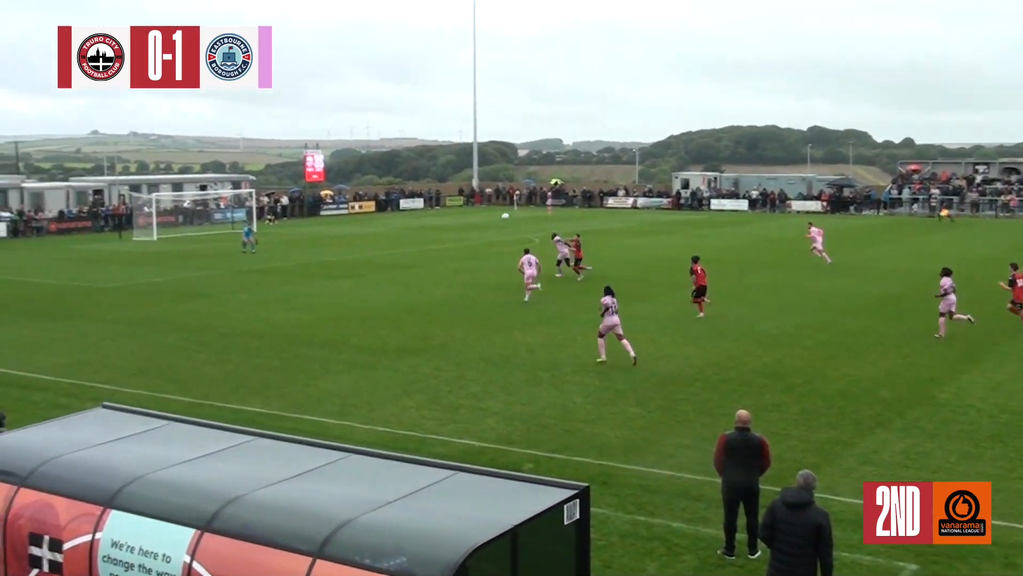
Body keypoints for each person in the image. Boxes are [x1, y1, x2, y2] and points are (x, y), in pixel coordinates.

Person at [714, 409, 771, 560]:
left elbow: (718, 459)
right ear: (750, 423)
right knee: (752, 516)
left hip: (731, 483)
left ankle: (729, 549)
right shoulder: (760, 440)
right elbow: (766, 461)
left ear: (735, 422)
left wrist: (724, 474)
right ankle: (753, 550)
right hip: (751, 483)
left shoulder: (725, 439)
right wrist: (756, 474)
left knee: (730, 516)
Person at [759, 470, 834, 576]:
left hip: (777, 570)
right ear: (814, 488)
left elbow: (764, 534)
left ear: (796, 482)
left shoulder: (776, 506)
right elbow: (825, 554)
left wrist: (778, 549)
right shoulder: (820, 516)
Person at [596, 285, 637, 365]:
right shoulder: (614, 299)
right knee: (621, 338)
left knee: (600, 336)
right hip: (616, 320)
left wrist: (603, 313)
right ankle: (632, 353)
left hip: (608, 320)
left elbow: (607, 306)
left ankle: (603, 357)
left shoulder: (604, 299)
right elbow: (615, 310)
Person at [935, 267, 975, 338]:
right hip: (953, 298)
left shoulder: (942, 281)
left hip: (947, 299)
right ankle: (966, 317)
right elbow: (954, 289)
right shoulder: (950, 280)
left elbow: (945, 291)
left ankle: (941, 334)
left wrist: (939, 295)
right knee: (951, 316)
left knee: (942, 315)